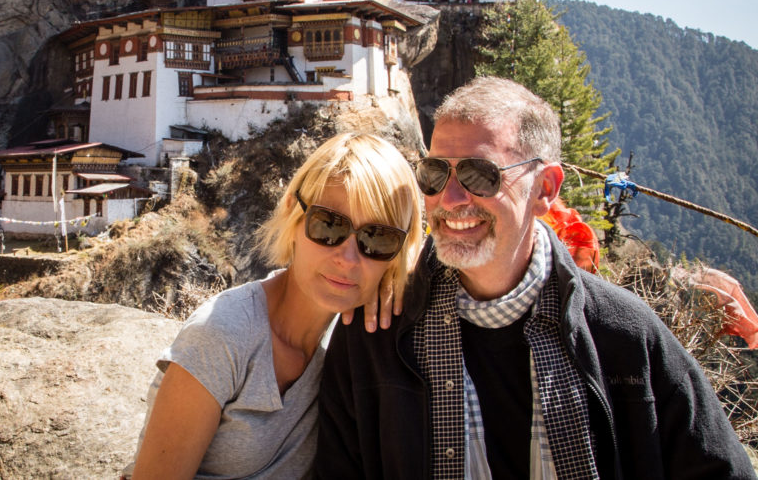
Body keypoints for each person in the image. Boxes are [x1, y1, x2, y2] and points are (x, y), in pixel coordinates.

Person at [317, 77, 755, 479]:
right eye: (434, 173)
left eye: (479, 175)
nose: (448, 199)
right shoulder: (376, 332)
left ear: (545, 188)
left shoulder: (623, 335)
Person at [131, 133, 423, 479]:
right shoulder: (223, 334)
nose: (348, 258)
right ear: (292, 212)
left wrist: (396, 280)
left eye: (377, 238)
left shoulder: (355, 340)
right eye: (328, 225)